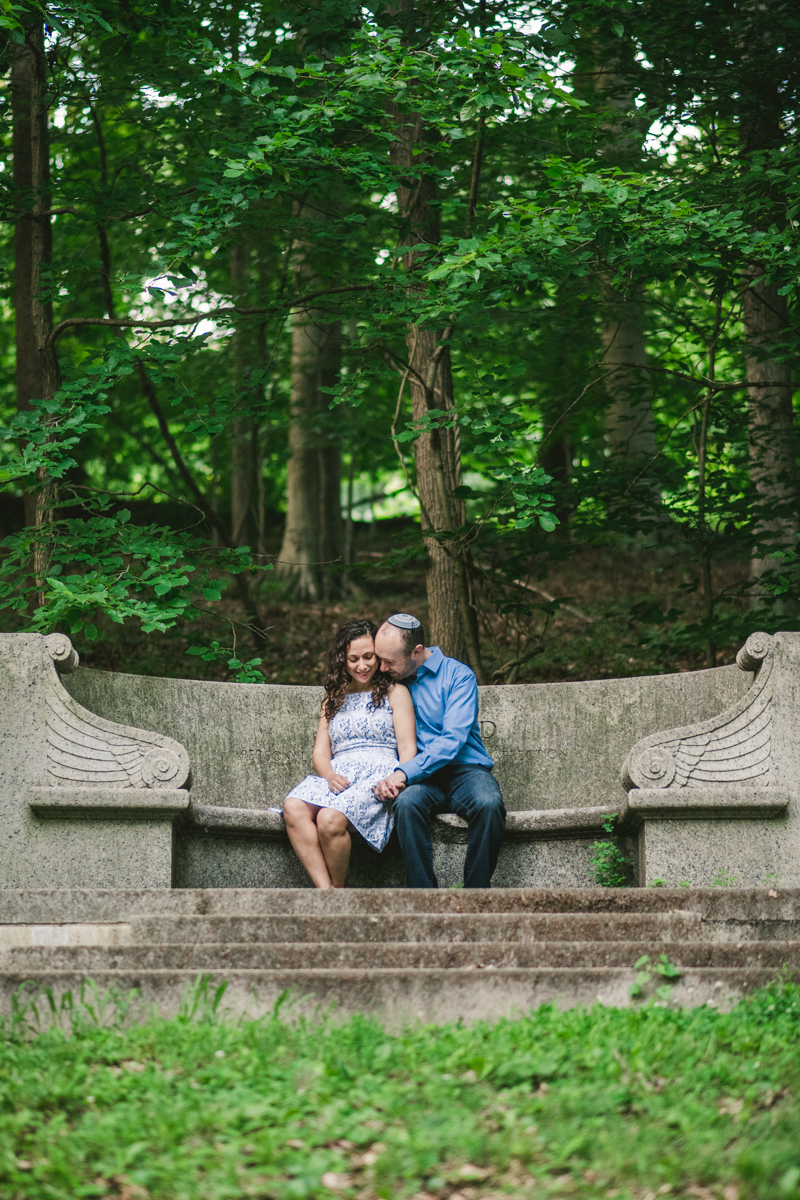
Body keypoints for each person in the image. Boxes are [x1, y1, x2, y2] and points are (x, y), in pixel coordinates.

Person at [374, 614, 506, 888]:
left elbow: (452, 740)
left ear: (417, 651)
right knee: (407, 805)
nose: (382, 667)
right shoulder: (390, 680)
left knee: (489, 804)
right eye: (380, 658)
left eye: (390, 661)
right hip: (424, 780)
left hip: (464, 771)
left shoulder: (458, 675)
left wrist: (402, 774)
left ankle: (476, 895)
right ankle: (424, 897)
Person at [283, 618, 416, 889]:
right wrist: (329, 775)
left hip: (378, 777)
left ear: (378, 656)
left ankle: (338, 890)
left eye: (368, 657)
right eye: (353, 659)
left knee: (329, 819)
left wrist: (397, 782)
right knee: (293, 807)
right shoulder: (333, 698)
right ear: (342, 660)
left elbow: (407, 749)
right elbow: (320, 752)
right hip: (339, 776)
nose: (362, 665)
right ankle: (328, 893)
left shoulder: (396, 693)